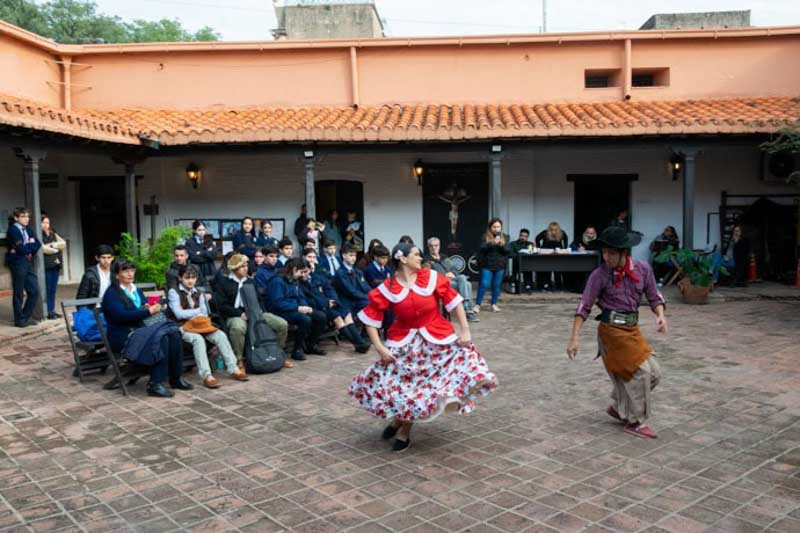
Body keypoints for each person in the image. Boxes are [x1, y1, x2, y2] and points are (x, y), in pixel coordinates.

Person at [350, 242, 497, 452]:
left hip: (435, 341)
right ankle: (399, 421)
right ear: (402, 259)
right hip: (403, 343)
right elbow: (371, 319)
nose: (420, 258)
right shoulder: (388, 287)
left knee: (421, 388)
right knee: (400, 387)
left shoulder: (431, 278)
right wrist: (379, 347)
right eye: (416, 255)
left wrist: (465, 329)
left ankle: (404, 430)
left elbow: (453, 302)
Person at [566, 226, 667, 439]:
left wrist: (660, 315)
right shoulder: (599, 275)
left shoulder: (643, 269)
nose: (607, 257)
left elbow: (654, 295)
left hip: (632, 330)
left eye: (612, 253)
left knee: (655, 373)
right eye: (604, 252)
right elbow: (584, 305)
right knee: (641, 373)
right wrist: (574, 338)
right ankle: (635, 422)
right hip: (611, 332)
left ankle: (620, 406)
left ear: (624, 253)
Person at [102, 260, 190, 398]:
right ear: (117, 275)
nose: (130, 274)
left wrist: (149, 308)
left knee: (174, 333)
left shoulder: (135, 289)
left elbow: (143, 307)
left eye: (132, 270)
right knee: (161, 337)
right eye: (125, 271)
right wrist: (147, 312)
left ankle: (175, 378)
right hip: (123, 334)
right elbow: (121, 316)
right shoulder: (111, 293)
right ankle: (155, 383)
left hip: (142, 329)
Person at [167, 265, 248, 388]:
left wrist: (195, 313)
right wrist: (196, 311)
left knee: (220, 335)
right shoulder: (174, 292)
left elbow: (204, 313)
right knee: (198, 340)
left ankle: (233, 368)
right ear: (180, 278)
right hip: (181, 326)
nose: (190, 281)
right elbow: (178, 314)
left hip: (199, 325)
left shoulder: (199, 293)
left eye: (193, 278)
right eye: (187, 278)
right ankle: (206, 375)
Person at [213, 254, 290, 368]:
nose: (245, 268)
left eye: (246, 265)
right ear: (234, 268)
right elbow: (221, 306)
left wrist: (262, 313)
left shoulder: (250, 282)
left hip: (255, 312)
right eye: (242, 266)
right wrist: (240, 314)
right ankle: (239, 359)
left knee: (281, 324)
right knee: (238, 328)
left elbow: (259, 300)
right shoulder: (224, 283)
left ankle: (277, 352)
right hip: (235, 314)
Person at [300, 248, 370, 353]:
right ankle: (358, 343)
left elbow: (329, 288)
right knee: (337, 317)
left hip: (329, 303)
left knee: (346, 314)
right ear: (303, 257)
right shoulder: (302, 277)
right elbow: (310, 296)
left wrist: (333, 299)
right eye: (309, 257)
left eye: (314, 257)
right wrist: (326, 302)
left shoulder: (318, 273)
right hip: (317, 306)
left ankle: (359, 343)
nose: (312, 259)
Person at [266, 258, 327, 360]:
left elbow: (300, 297)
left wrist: (306, 307)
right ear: (294, 269)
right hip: (281, 311)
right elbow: (278, 303)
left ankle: (311, 344)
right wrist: (298, 308)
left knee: (321, 316)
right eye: (301, 272)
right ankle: (297, 349)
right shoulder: (277, 281)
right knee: (305, 320)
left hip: (295, 308)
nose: (303, 275)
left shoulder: (295, 281)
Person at [425, 237, 478, 322]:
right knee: (467, 284)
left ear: (439, 246)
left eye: (436, 245)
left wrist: (452, 273)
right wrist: (444, 275)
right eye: (431, 246)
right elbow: (429, 275)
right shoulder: (426, 260)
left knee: (462, 278)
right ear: (428, 247)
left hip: (453, 280)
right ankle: (468, 311)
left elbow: (454, 269)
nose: (434, 247)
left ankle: (467, 310)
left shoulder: (444, 257)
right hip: (441, 283)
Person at [6, 207, 41, 328]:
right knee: (19, 292)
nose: (27, 219)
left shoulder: (28, 230)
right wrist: (29, 246)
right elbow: (21, 249)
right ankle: (19, 320)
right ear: (16, 218)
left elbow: (38, 244)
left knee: (34, 291)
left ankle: (25, 317)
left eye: (28, 216)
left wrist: (29, 246)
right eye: (23, 216)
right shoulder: (13, 231)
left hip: (28, 263)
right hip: (17, 263)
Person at [474, 218, 510, 313]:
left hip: (500, 265)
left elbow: (508, 251)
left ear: (501, 228)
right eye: (494, 227)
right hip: (487, 265)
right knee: (484, 284)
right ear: (490, 228)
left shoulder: (505, 237)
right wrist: (492, 243)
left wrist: (501, 245)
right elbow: (481, 248)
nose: (496, 229)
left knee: (496, 285)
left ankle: (494, 304)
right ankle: (477, 304)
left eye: (498, 227)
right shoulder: (485, 236)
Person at [334, 243, 371, 318]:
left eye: (355, 255)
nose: (354, 258)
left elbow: (366, 287)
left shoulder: (358, 271)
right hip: (347, 303)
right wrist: (366, 297)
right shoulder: (340, 273)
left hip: (359, 300)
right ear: (344, 256)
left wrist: (372, 295)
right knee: (369, 304)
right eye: (351, 255)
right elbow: (350, 291)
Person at [40, 214, 66, 319]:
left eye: (48, 222)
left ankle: (52, 310)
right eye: (44, 222)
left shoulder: (52, 233)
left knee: (53, 289)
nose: (46, 225)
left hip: (55, 263)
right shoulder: (39, 234)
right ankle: (46, 311)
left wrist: (52, 246)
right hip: (47, 264)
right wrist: (55, 247)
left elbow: (63, 244)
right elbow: (43, 249)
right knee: (47, 288)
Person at [535, 222, 570, 290]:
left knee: (557, 270)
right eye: (551, 230)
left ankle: (558, 286)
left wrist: (563, 249)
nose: (553, 231)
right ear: (549, 229)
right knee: (547, 270)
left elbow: (566, 240)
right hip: (547, 253)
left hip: (557, 254)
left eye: (555, 230)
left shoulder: (562, 233)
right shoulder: (545, 233)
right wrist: (539, 248)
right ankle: (547, 285)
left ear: (558, 230)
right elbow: (537, 238)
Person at [568, 226, 600, 292]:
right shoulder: (580, 238)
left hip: (593, 263)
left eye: (591, 233)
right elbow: (571, 246)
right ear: (585, 233)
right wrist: (577, 249)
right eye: (588, 233)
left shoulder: (598, 240)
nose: (590, 235)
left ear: (594, 234)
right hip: (580, 262)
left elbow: (599, 249)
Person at [509, 228, 533, 293]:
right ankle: (515, 286)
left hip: (527, 264)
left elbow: (533, 253)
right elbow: (511, 254)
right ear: (519, 235)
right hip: (516, 264)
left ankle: (528, 286)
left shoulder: (530, 244)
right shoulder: (513, 244)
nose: (523, 237)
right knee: (518, 263)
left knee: (528, 266)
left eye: (525, 236)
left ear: (528, 237)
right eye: (522, 235)